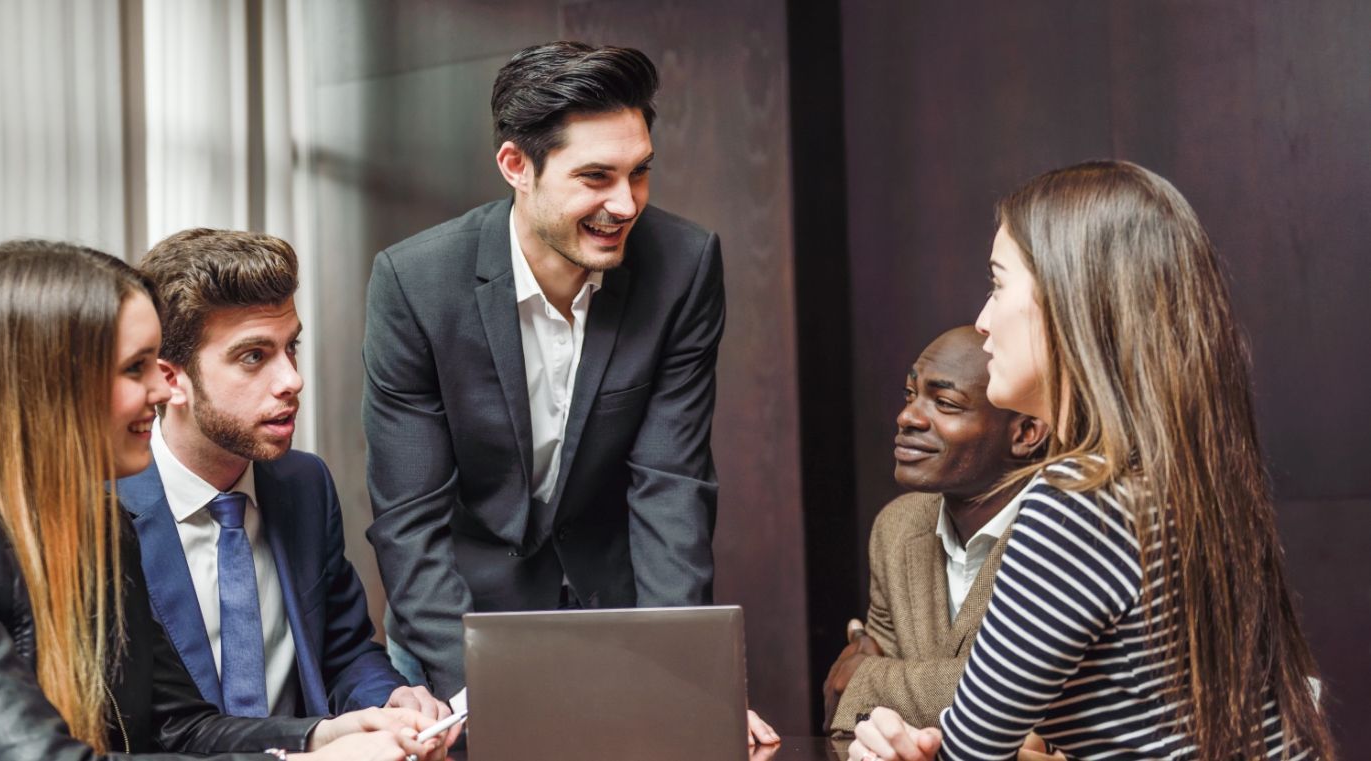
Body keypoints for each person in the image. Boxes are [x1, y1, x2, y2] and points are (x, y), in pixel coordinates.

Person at [0, 241, 453, 760]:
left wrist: (323, 735)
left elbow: (178, 728)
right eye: (135, 369)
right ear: (51, 386)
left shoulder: (99, 529)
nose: (160, 390)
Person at [849, 161, 1336, 760]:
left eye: (998, 285)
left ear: (1069, 305)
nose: (982, 320)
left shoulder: (1080, 500)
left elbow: (971, 751)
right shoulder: (1181, 477)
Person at [363, 40, 774, 744]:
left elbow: (670, 484)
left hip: (615, 625)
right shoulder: (415, 284)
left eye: (640, 173)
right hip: (455, 628)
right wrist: (480, 697)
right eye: (596, 177)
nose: (625, 204)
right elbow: (409, 518)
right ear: (516, 166)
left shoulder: (683, 266)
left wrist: (683, 681)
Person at [120, 229, 447, 721]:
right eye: (253, 356)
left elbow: (343, 653)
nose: (292, 380)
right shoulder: (103, 512)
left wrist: (389, 697)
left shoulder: (304, 484)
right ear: (172, 380)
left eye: (290, 347)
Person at [824, 326, 1048, 734]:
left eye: (944, 403)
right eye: (911, 394)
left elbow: (1030, 699)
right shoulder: (896, 527)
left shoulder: (1066, 530)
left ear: (1025, 434)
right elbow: (854, 722)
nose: (907, 417)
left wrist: (870, 679)